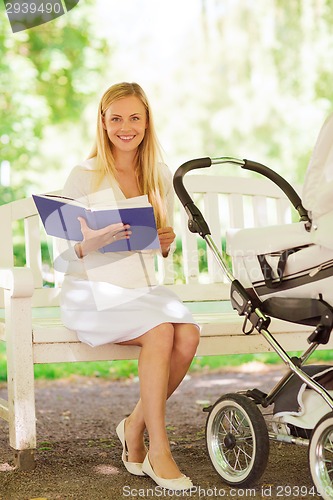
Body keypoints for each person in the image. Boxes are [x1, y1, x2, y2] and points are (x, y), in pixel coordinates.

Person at [56, 82, 200, 491]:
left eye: (134, 117)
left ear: (146, 121)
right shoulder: (83, 175)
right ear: (102, 122)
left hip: (138, 288)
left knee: (187, 334)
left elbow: (156, 244)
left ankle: (133, 426)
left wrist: (165, 242)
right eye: (116, 118)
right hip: (90, 291)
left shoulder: (157, 174)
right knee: (160, 331)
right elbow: (63, 259)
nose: (125, 126)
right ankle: (159, 450)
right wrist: (91, 243)